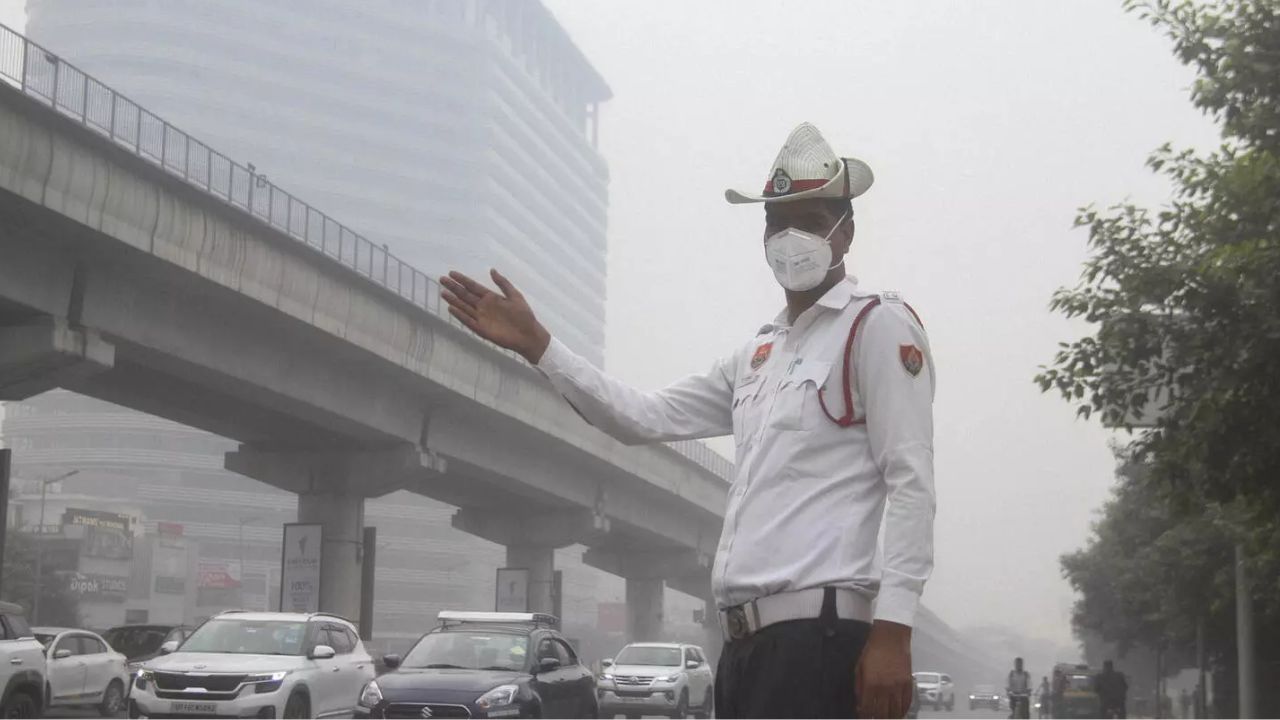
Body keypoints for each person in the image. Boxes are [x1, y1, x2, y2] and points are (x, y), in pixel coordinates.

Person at [440, 123, 936, 719]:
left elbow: (911, 480)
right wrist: (541, 348)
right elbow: (641, 416)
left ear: (845, 231)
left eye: (807, 220)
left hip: (820, 641)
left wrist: (895, 632)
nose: (788, 237)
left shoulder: (875, 327)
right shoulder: (760, 354)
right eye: (776, 223)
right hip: (746, 647)